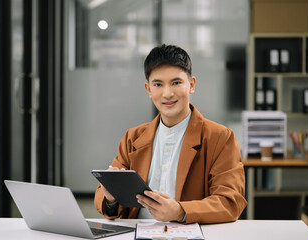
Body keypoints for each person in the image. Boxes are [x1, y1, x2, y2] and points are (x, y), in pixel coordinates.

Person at [94, 44, 247, 224]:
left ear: (191, 85)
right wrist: (112, 199)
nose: (167, 94)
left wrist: (181, 211)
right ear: (148, 90)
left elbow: (231, 201)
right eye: (158, 84)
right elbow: (104, 200)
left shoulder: (220, 138)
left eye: (176, 83)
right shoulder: (132, 138)